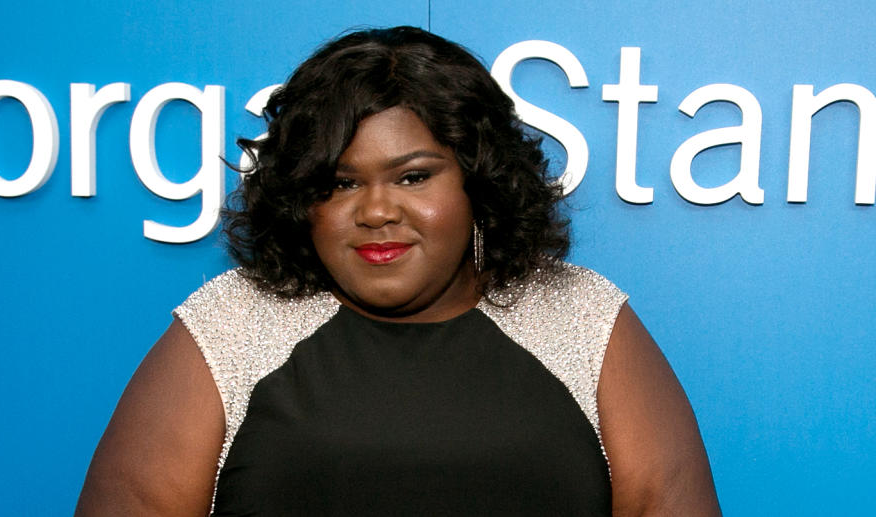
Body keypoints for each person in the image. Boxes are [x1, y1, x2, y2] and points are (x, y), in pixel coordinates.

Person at [75, 26, 721, 516]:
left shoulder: (582, 319)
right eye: (341, 182)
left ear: (478, 180)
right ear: (303, 200)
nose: (377, 209)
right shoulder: (232, 324)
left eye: (413, 176)